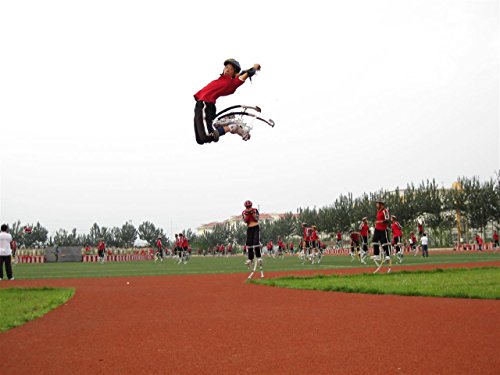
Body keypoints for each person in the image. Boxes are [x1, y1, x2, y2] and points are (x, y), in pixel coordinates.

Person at [193, 59, 261, 144]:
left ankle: (232, 126)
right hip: (200, 105)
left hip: (205, 104)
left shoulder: (232, 82)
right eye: (226, 67)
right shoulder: (221, 79)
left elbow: (246, 74)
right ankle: (224, 121)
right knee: (200, 140)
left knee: (206, 136)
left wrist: (254, 68)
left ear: (234, 73)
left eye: (231, 69)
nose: (227, 70)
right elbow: (243, 72)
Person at [242, 200, 263, 279]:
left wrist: (253, 214)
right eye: (247, 207)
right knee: (249, 244)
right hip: (249, 228)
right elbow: (245, 221)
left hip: (256, 227)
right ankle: (250, 258)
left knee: (256, 243)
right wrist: (247, 214)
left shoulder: (255, 210)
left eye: (249, 207)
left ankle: (259, 257)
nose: (248, 208)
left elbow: (257, 219)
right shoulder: (244, 212)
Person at [371, 199, 392, 273]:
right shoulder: (378, 211)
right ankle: (376, 254)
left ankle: (387, 255)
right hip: (377, 229)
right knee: (374, 241)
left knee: (384, 242)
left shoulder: (385, 211)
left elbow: (387, 220)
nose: (376, 205)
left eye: (378, 204)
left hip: (383, 229)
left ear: (381, 204)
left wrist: (379, 221)